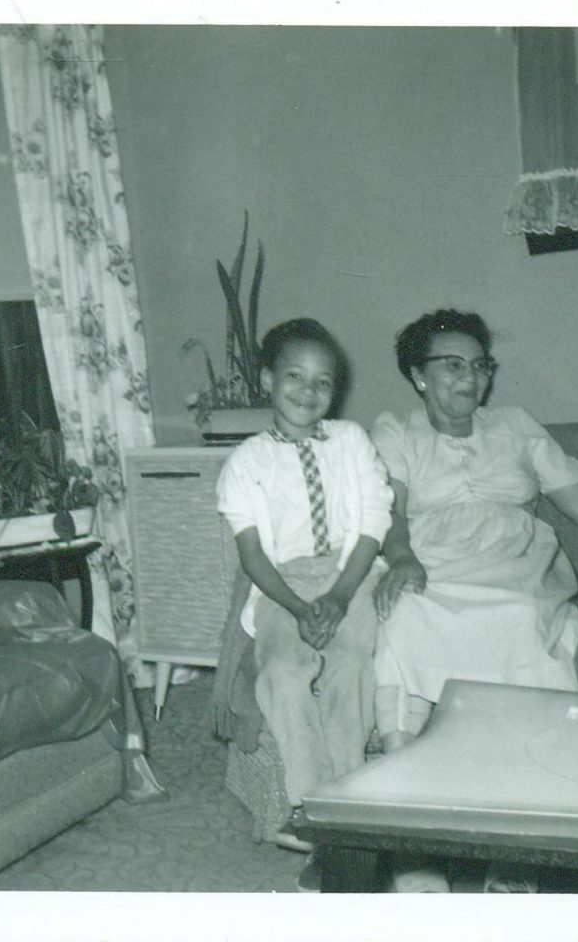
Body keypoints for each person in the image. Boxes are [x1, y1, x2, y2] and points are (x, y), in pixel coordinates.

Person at [371, 308, 578, 892]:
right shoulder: (396, 433)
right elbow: (391, 510)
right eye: (452, 364)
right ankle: (411, 843)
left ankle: (517, 855)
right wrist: (401, 557)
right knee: (405, 612)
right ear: (417, 375)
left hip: (513, 559)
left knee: (522, 617)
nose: (470, 378)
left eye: (480, 365)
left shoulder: (515, 425)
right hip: (432, 557)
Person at [215, 318, 392, 891]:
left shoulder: (352, 441)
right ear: (268, 379)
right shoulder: (245, 462)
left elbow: (372, 523)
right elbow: (252, 555)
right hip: (280, 583)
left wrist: (340, 596)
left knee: (349, 666)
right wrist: (295, 606)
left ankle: (351, 807)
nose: (308, 391)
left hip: (350, 571)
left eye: (323, 381)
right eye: (295, 376)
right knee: (285, 673)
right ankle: (313, 807)